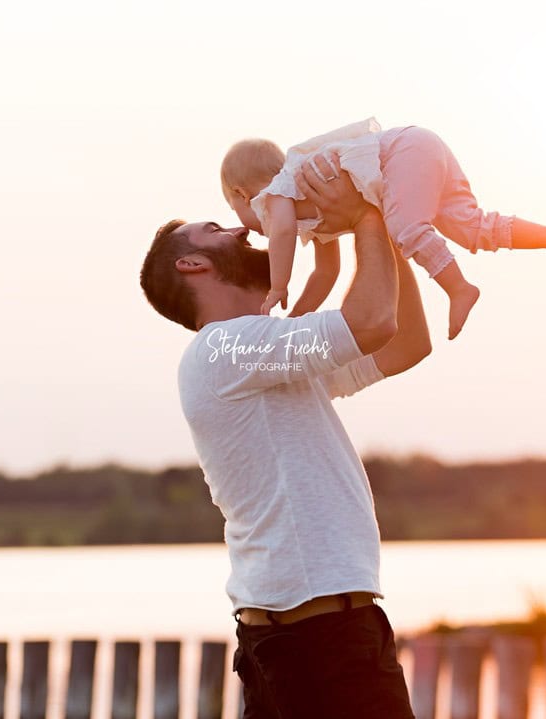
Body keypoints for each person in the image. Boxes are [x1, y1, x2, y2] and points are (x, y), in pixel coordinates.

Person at [139, 154, 429, 718]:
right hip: (317, 636)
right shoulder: (224, 349)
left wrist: (383, 225)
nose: (242, 227)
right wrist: (364, 215)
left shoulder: (266, 355)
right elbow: (371, 321)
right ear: (192, 264)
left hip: (313, 630)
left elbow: (406, 342)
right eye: (216, 228)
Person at [220, 117, 546, 340]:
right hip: (417, 149)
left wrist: (278, 287)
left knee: (407, 228)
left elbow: (282, 234)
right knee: (470, 226)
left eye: (234, 209)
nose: (253, 228)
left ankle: (459, 288)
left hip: (401, 152)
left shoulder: (277, 192)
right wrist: (296, 319)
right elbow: (326, 272)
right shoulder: (310, 215)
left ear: (242, 194)